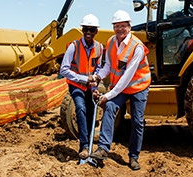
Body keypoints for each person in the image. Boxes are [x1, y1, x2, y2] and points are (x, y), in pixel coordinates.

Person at [89, 10, 151, 171]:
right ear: (113, 27)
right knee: (110, 107)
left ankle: (133, 157)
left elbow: (127, 77)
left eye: (123, 26)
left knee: (137, 121)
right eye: (117, 26)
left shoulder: (137, 47)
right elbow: (108, 66)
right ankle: (103, 148)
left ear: (129, 27)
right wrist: (97, 77)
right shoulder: (110, 42)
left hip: (137, 86)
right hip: (121, 87)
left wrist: (107, 95)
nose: (120, 29)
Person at [59, 14, 103, 160]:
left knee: (91, 112)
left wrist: (95, 85)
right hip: (76, 85)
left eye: (92, 29)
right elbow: (64, 70)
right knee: (81, 108)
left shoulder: (99, 47)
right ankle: (84, 145)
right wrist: (84, 79)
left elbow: (97, 68)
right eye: (86, 29)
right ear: (82, 30)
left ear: (96, 31)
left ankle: (88, 143)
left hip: (90, 87)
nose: (89, 32)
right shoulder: (74, 46)